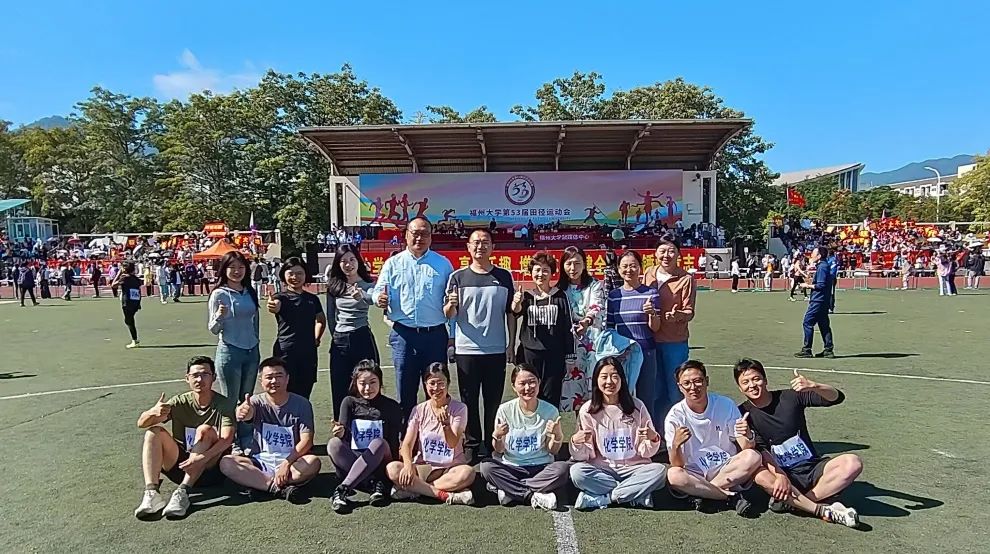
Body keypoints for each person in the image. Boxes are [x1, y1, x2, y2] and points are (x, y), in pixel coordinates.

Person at [735, 358, 861, 527]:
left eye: (756, 379)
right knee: (758, 475)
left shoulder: (789, 397)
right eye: (745, 382)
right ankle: (818, 507)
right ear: (740, 387)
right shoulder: (743, 413)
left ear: (765, 380)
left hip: (812, 467)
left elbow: (836, 398)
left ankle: (799, 504)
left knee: (853, 463)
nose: (752, 385)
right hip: (780, 475)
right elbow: (759, 450)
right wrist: (780, 474)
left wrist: (814, 386)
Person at [372, 217, 454, 426]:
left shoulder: (443, 264)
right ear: (406, 235)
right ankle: (406, 437)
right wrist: (378, 298)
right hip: (404, 335)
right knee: (405, 390)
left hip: (435, 335)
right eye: (415, 233)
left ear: (431, 237)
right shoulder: (393, 263)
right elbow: (378, 291)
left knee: (436, 389)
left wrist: (452, 336)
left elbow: (453, 302)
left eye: (425, 233)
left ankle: (435, 436)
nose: (419, 238)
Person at [133, 356, 235, 519]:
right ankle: (152, 493)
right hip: (181, 465)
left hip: (210, 468)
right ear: (187, 378)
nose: (199, 379)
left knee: (205, 430)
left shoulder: (224, 404)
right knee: (153, 432)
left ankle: (183, 492)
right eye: (195, 375)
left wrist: (202, 457)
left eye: (205, 374)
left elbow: (227, 439)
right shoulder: (179, 402)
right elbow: (141, 423)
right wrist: (152, 413)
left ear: (214, 377)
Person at [445, 228, 515, 461]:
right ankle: (472, 444)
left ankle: (492, 442)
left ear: (493, 247)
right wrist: (451, 305)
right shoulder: (457, 277)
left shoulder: (504, 276)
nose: (480, 246)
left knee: (493, 400)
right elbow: (448, 313)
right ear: (468, 247)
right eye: (475, 242)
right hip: (466, 350)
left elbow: (510, 313)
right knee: (469, 400)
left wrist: (510, 344)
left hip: (496, 349)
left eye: (485, 242)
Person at [568, 357, 667, 510]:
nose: (609, 382)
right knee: (577, 472)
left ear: (622, 380)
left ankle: (607, 498)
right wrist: (576, 442)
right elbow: (585, 455)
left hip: (635, 468)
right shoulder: (588, 410)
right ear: (596, 380)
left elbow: (646, 452)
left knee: (659, 472)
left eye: (614, 376)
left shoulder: (637, 406)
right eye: (604, 377)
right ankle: (634, 493)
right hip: (603, 470)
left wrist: (653, 438)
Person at [664, 360, 761, 515]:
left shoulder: (725, 404)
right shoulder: (675, 416)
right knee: (674, 475)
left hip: (726, 467)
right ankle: (729, 496)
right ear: (680, 387)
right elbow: (677, 464)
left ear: (707, 381)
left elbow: (746, 447)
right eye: (686, 383)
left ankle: (706, 494)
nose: (693, 387)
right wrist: (675, 445)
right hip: (695, 473)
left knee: (753, 456)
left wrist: (748, 435)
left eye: (698, 381)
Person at [219, 357, 322, 501]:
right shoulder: (256, 401)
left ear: (287, 379)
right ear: (261, 381)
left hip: (292, 461)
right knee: (226, 463)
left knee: (313, 462)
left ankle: (260, 484)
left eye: (279, 376)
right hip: (260, 461)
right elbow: (247, 413)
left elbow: (307, 440)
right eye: (269, 377)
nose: (274, 381)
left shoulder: (302, 404)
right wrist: (244, 413)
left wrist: (286, 463)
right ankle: (276, 488)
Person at [480, 363, 570, 510]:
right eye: (522, 383)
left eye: (532, 382)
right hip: (512, 467)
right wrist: (497, 436)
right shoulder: (505, 410)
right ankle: (531, 495)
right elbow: (499, 450)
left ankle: (510, 490)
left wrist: (557, 436)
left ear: (539, 383)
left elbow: (552, 450)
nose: (528, 388)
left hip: (541, 467)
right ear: (514, 387)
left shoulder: (550, 411)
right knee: (486, 467)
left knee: (562, 469)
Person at [384, 363, 475, 505]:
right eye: (432, 383)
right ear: (425, 385)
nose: (436, 388)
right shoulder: (419, 409)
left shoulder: (459, 409)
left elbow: (452, 443)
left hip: (451, 467)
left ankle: (415, 489)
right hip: (424, 467)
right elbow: (407, 444)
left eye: (441, 383)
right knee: (392, 469)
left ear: (448, 383)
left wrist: (446, 425)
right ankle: (443, 494)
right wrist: (408, 465)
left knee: (467, 474)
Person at [327, 360, 403, 513]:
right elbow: (345, 437)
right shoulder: (349, 402)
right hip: (355, 459)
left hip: (381, 460)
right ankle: (372, 484)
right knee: (334, 444)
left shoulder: (392, 406)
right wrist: (341, 433)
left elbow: (394, 443)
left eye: (373, 382)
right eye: (362, 383)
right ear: (355, 384)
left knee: (378, 443)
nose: (368, 388)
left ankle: (344, 488)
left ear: (380, 382)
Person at [208, 251, 261, 450]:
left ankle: (246, 438)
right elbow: (213, 329)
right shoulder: (219, 294)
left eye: (241, 267)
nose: (237, 271)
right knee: (230, 401)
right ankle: (231, 441)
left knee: (247, 398)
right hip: (230, 352)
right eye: (232, 267)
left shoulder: (250, 291)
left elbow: (255, 322)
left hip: (251, 351)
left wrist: (256, 342)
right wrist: (220, 316)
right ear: (224, 270)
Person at [643, 236, 697, 425]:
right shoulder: (649, 273)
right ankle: (658, 431)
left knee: (675, 390)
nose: (666, 255)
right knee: (654, 390)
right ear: (655, 253)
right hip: (649, 340)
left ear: (679, 254)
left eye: (671, 251)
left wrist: (678, 315)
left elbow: (690, 312)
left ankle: (679, 429)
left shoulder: (686, 279)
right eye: (662, 251)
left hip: (674, 342)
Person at [511, 252, 572, 410]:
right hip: (529, 353)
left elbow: (567, 326)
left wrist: (570, 355)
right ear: (531, 272)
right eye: (537, 270)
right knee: (529, 394)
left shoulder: (560, 296)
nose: (541, 274)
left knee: (551, 395)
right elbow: (516, 312)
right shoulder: (527, 296)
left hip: (554, 355)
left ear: (552, 273)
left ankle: (551, 425)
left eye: (545, 270)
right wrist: (516, 302)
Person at [326, 244, 379, 419]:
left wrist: (361, 296)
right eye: (343, 261)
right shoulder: (334, 286)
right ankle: (341, 425)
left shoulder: (368, 284)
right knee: (339, 386)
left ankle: (369, 422)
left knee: (367, 382)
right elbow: (331, 316)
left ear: (358, 261)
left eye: (352, 259)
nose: (348, 264)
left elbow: (372, 299)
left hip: (361, 336)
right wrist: (336, 336)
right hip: (340, 340)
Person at [267, 257, 326, 399]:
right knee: (283, 392)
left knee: (305, 393)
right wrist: (273, 306)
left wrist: (316, 338)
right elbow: (275, 306)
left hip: (308, 353)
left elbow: (321, 320)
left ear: (305, 274)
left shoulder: (312, 299)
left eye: (299, 273)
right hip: (285, 352)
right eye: (291, 273)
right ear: (284, 275)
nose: (295, 277)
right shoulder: (280, 297)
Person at [605, 250, 660, 399]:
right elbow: (610, 328)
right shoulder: (614, 296)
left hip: (646, 352)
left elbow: (656, 327)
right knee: (621, 398)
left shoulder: (651, 293)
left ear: (640, 268)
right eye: (624, 266)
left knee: (646, 397)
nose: (629, 270)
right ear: (618, 269)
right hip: (622, 354)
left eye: (633, 265)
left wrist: (652, 313)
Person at [557, 246, 606, 412]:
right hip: (569, 344)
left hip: (592, 341)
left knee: (593, 384)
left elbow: (596, 306)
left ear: (584, 264)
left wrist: (586, 321)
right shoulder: (559, 289)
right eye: (569, 263)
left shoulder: (594, 285)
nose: (573, 268)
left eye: (577, 263)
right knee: (574, 388)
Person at [795, 246, 835, 358]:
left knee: (807, 322)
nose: (811, 255)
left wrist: (807, 285)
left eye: (813, 253)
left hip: (818, 300)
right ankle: (828, 349)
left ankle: (807, 349)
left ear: (819, 256)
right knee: (823, 324)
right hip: (823, 300)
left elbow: (821, 285)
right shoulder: (824, 266)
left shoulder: (822, 267)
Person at [113, 262, 143, 349]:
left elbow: (113, 285)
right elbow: (138, 291)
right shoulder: (136, 279)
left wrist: (118, 274)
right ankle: (135, 340)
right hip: (135, 301)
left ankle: (135, 340)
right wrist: (139, 303)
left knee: (129, 321)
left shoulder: (124, 278)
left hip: (127, 301)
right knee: (130, 320)